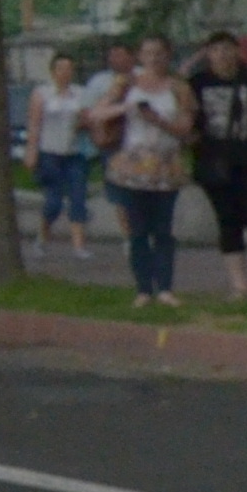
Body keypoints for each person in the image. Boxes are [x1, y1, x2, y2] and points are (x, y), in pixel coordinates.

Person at [183, 29, 247, 300]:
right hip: (214, 160)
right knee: (228, 223)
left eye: (228, 49)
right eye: (216, 50)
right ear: (208, 54)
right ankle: (239, 286)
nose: (223, 55)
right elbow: (177, 93)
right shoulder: (198, 82)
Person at [95, 39, 187, 308]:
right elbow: (97, 113)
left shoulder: (178, 88)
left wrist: (158, 120)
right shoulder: (126, 84)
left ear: (168, 55)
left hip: (165, 165)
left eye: (160, 53)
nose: (154, 59)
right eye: (148, 53)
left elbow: (185, 126)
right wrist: (127, 108)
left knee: (163, 229)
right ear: (140, 56)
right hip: (132, 165)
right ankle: (143, 289)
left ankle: (166, 287)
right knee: (137, 230)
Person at [24, 48, 92, 250]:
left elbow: (88, 118)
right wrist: (31, 151)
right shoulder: (42, 93)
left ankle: (79, 245)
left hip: (74, 153)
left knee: (78, 198)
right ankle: (43, 235)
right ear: (53, 71)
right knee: (53, 201)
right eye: (61, 68)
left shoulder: (80, 93)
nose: (65, 72)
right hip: (49, 153)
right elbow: (35, 124)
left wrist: (84, 123)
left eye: (69, 68)